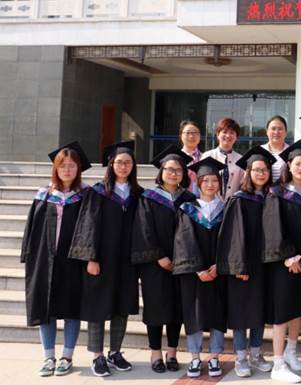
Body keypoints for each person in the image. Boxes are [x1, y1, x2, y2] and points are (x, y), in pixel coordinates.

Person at [68, 141, 142, 377]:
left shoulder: (138, 194)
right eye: (119, 162)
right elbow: (88, 225)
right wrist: (91, 258)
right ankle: (97, 356)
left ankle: (115, 352)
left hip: (127, 261)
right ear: (111, 164)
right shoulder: (98, 192)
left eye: (128, 162)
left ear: (133, 166)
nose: (123, 166)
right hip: (102, 259)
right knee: (97, 306)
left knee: (122, 306)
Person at [21, 142, 90, 377]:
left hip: (73, 258)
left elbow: (90, 227)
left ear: (78, 169)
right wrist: (27, 253)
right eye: (62, 166)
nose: (67, 170)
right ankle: (48, 356)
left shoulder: (85, 195)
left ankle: (67, 356)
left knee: (72, 307)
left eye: (71, 166)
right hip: (44, 258)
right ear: (56, 168)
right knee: (45, 306)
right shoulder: (43, 194)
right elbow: (31, 226)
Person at [132, 145, 197, 373]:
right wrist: (159, 256)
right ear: (161, 172)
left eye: (178, 170)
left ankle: (172, 352)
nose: (173, 173)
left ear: (184, 174)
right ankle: (155, 353)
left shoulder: (189, 198)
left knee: (177, 308)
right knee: (155, 307)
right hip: (155, 264)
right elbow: (143, 229)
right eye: (169, 169)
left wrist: (182, 259)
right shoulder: (148, 198)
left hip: (182, 264)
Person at [216, 146, 276, 378]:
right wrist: (238, 266)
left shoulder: (272, 197)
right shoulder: (239, 199)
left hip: (265, 265)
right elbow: (233, 236)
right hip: (244, 266)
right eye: (257, 170)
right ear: (248, 172)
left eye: (265, 170)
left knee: (259, 311)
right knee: (241, 312)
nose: (261, 174)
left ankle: (256, 354)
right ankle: (241, 357)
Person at [262, 139, 301, 383]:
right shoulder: (276, 192)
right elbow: (272, 228)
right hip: (284, 261)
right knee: (282, 311)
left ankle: (292, 351)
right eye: (298, 164)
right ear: (289, 165)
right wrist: (288, 257)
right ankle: (278, 363)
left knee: (299, 308)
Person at [173, 157, 228, 378]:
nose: (211, 185)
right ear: (198, 183)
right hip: (194, 274)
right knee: (193, 314)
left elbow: (230, 240)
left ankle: (214, 357)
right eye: (206, 181)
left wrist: (219, 265)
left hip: (218, 272)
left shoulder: (226, 209)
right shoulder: (187, 209)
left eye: (215, 181)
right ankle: (195, 358)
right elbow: (184, 240)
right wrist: (198, 269)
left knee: (218, 314)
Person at [203, 117, 244, 199]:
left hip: (233, 203)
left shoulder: (241, 159)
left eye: (232, 133)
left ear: (236, 137)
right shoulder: (207, 156)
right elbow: (201, 182)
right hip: (211, 203)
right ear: (218, 134)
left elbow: (242, 185)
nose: (228, 135)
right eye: (224, 132)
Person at [261, 115, 290, 181]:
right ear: (267, 131)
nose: (276, 132)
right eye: (273, 128)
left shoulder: (292, 152)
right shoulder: (259, 151)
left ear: (286, 132)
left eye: (280, 129)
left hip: (286, 187)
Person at [180, 120, 203, 195]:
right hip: (179, 197)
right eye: (187, 133)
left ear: (200, 136)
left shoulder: (205, 157)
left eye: (195, 133)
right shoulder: (175, 158)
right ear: (181, 135)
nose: (191, 136)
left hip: (201, 199)